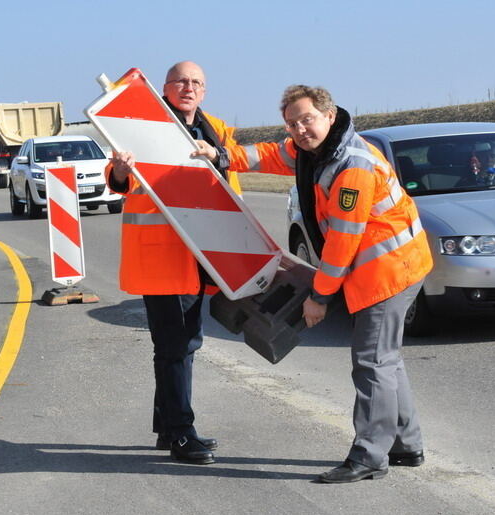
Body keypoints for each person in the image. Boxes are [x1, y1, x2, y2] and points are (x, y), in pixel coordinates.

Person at [194, 85, 434, 483]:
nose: (300, 129)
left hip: (389, 269)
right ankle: (406, 445)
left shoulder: (352, 166)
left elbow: (342, 242)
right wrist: (221, 155)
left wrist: (320, 297)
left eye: (306, 119)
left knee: (372, 362)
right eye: (292, 123)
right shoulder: (315, 149)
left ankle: (369, 456)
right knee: (385, 360)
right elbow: (270, 154)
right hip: (390, 264)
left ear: (328, 114)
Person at [106, 61, 239, 465]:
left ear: (205, 90)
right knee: (175, 347)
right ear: (164, 87)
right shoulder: (144, 122)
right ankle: (182, 434)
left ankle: (168, 428)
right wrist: (121, 170)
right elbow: (117, 176)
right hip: (161, 257)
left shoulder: (214, 126)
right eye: (181, 80)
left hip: (200, 255)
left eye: (197, 82)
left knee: (184, 344)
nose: (189, 87)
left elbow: (228, 173)